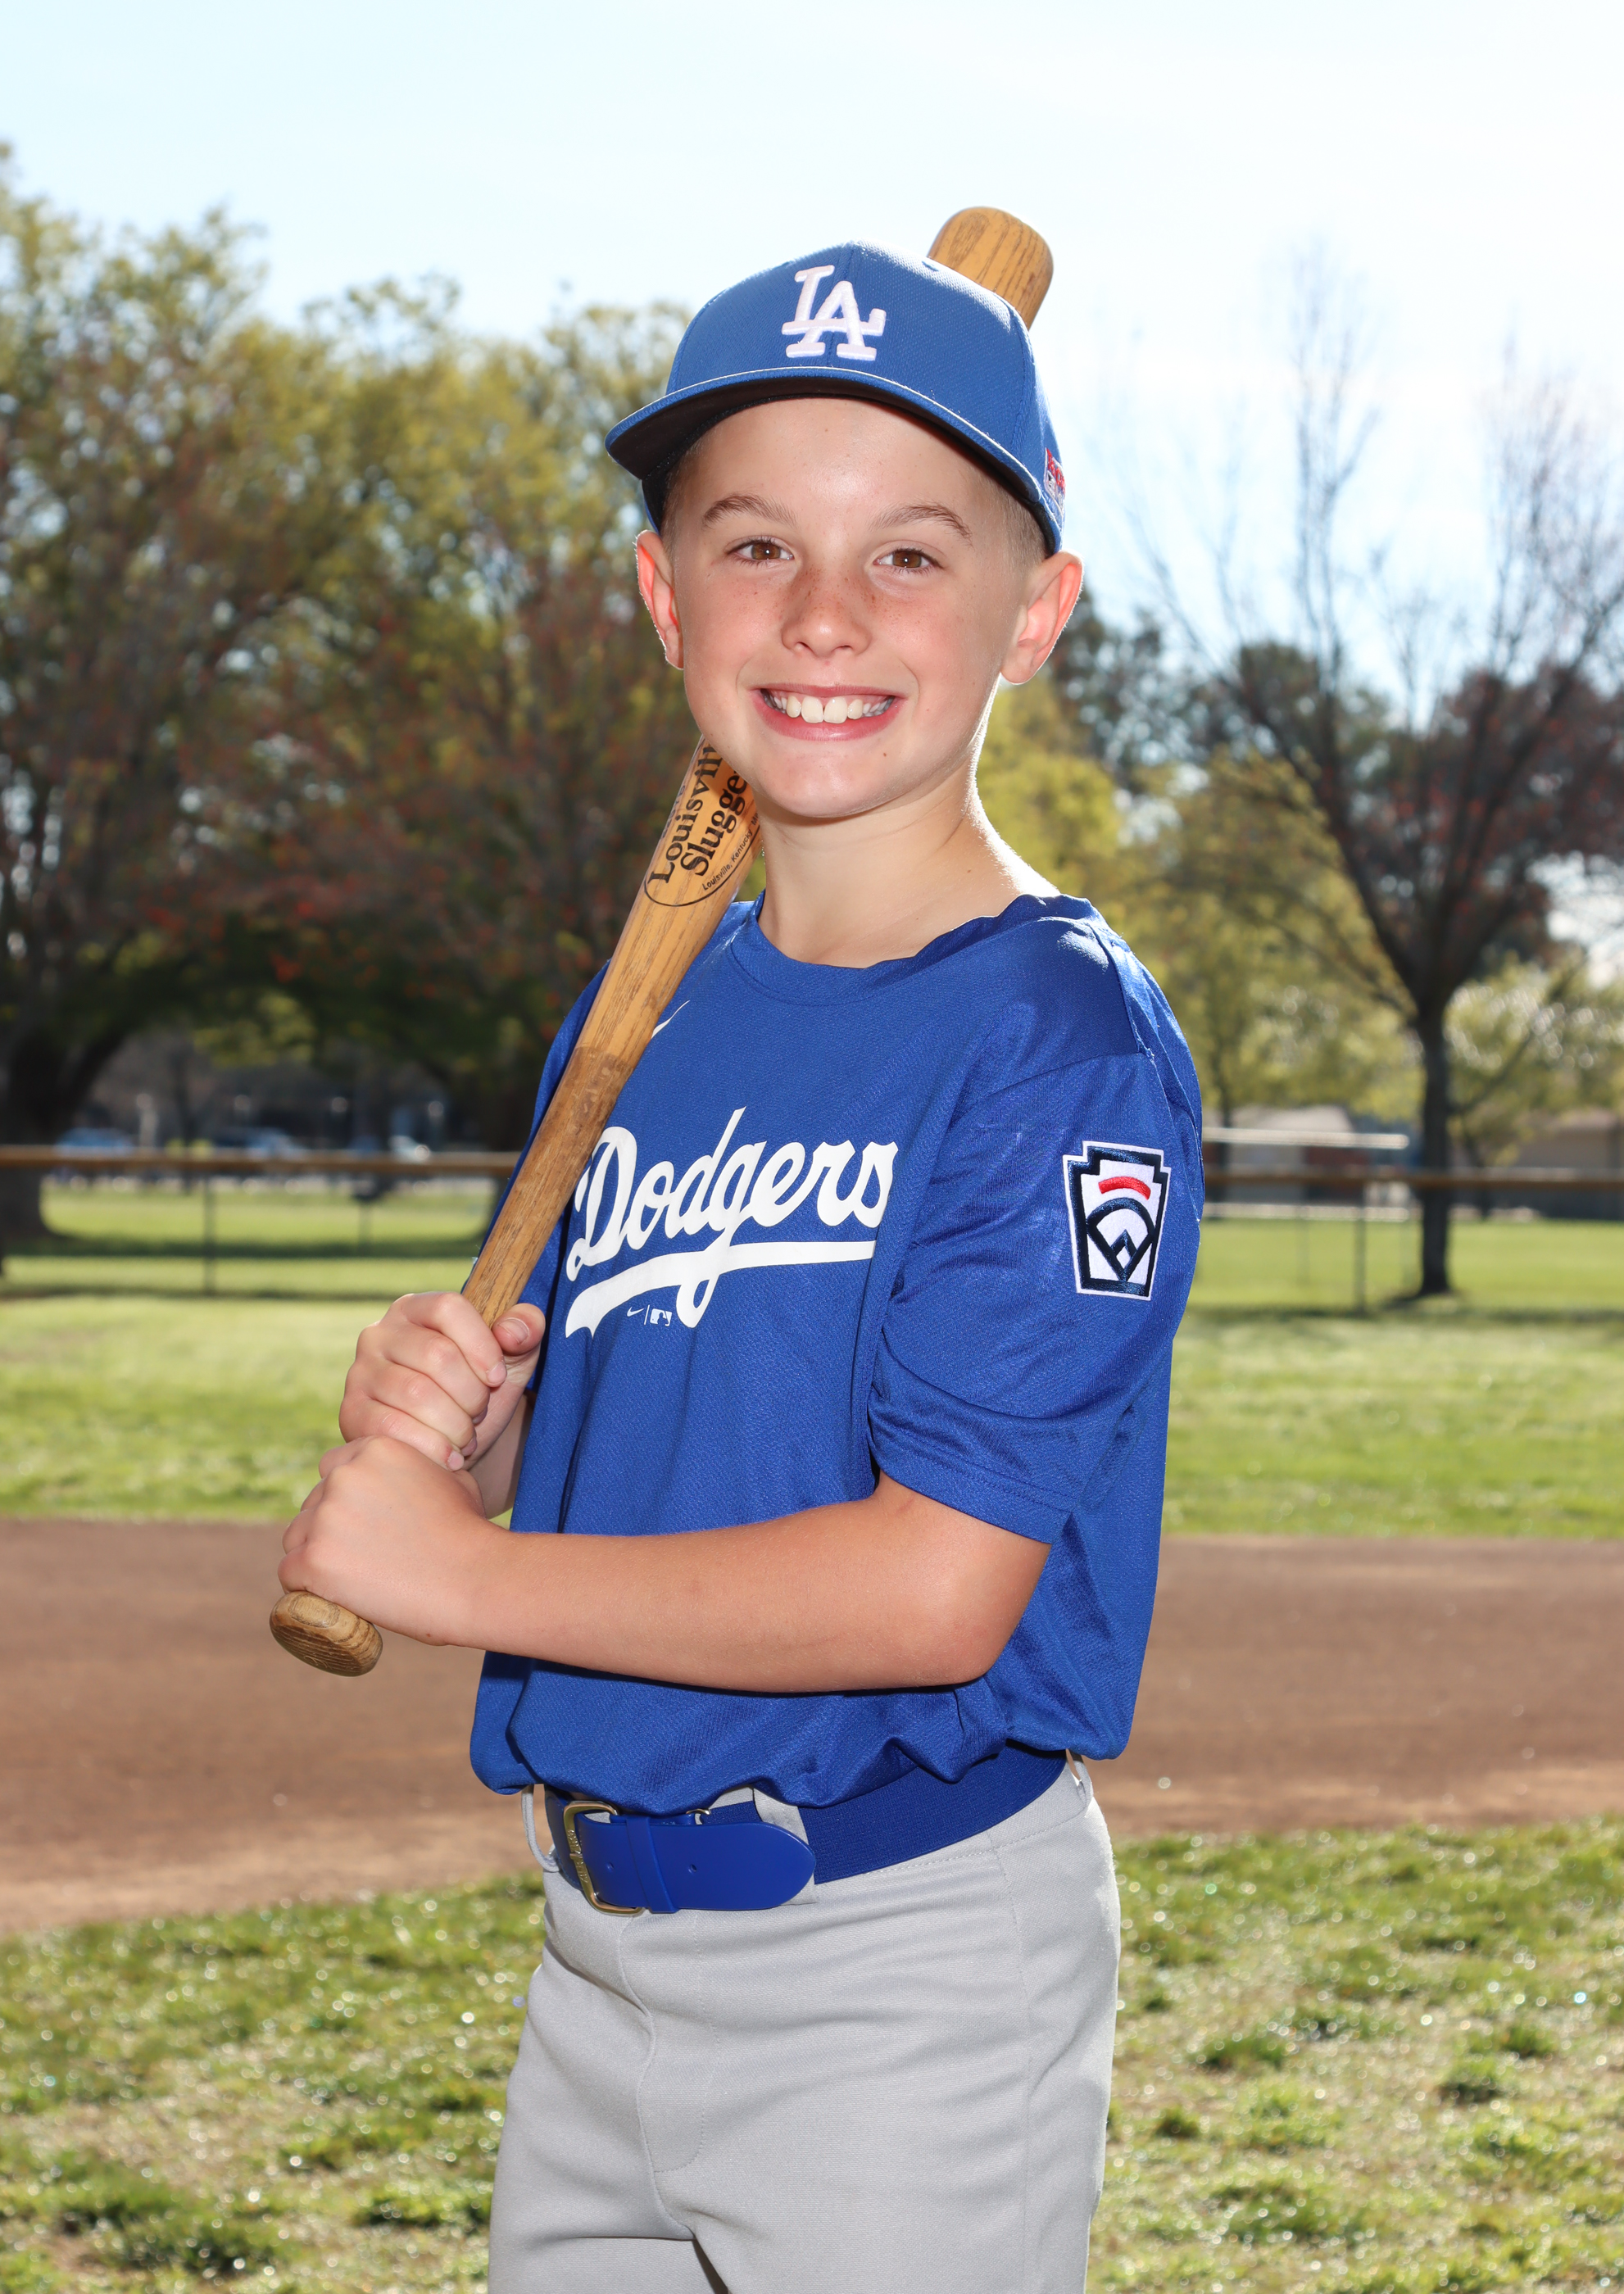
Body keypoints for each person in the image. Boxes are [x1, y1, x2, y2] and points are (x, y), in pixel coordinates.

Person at [280, 238, 1203, 2294]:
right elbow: (656, 1437)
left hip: (892, 1967)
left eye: (909, 555)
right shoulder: (650, 1013)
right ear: (662, 592)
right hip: (592, 1954)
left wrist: (458, 1575)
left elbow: (933, 1584)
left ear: (1034, 613)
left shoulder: (1058, 1040)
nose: (821, 613)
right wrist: (477, 1431)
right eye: (757, 541)